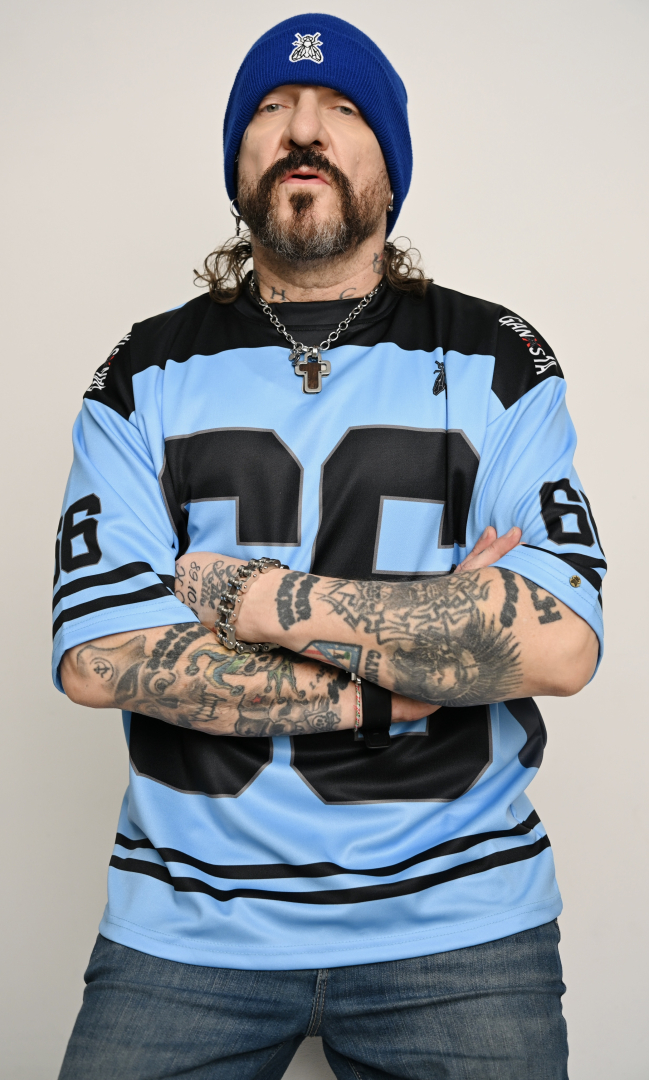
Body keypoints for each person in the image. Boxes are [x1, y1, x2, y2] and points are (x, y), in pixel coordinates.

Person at [53, 13, 606, 1079]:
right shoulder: (140, 372)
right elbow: (100, 656)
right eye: (272, 107)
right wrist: (397, 683)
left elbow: (558, 643)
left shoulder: (497, 357)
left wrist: (244, 595)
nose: (303, 128)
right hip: (185, 927)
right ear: (238, 161)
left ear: (389, 167)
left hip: (459, 924)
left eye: (341, 108)